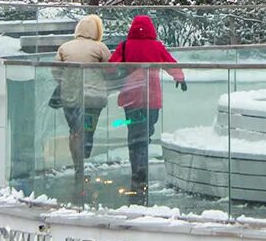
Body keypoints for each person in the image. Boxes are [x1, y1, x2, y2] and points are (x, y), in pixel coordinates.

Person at [109, 14, 187, 198]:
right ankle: (143, 154)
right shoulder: (156, 46)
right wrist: (180, 77)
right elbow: (170, 62)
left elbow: (111, 66)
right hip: (152, 97)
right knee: (147, 129)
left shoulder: (125, 46)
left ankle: (138, 167)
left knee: (134, 132)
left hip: (131, 96)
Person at [55, 14, 111, 188]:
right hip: (93, 98)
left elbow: (56, 72)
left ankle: (78, 165)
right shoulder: (100, 48)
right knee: (88, 129)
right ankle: (85, 151)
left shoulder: (65, 47)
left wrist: (66, 82)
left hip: (70, 97)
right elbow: (111, 70)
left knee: (74, 130)